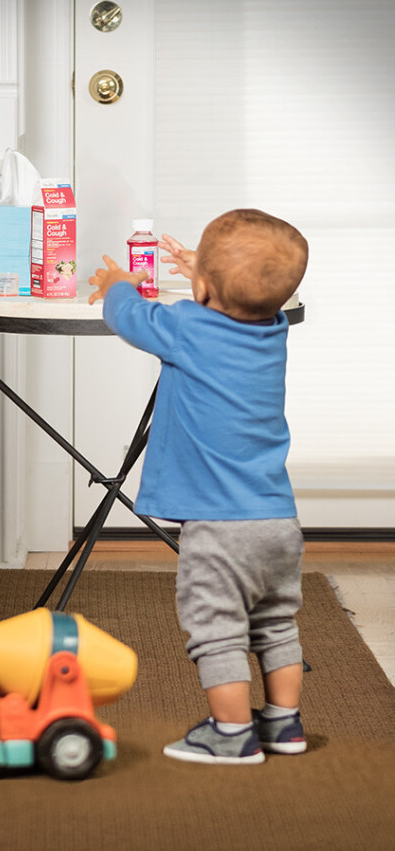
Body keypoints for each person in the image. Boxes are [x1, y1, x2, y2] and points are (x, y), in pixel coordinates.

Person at [86, 208, 310, 765]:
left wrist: (118, 284)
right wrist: (206, 274)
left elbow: (130, 316)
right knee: (275, 621)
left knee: (217, 629)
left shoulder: (186, 326)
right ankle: (283, 724)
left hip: (219, 526)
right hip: (277, 521)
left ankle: (231, 733)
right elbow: (248, 299)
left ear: (204, 287)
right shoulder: (274, 330)